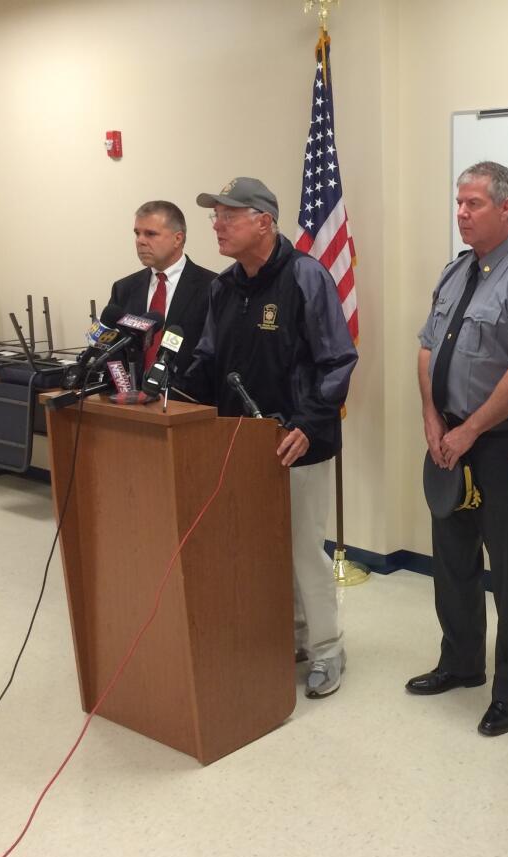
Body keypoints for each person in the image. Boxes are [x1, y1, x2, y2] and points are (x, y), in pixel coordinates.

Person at [183, 177, 358, 699]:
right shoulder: (223, 287)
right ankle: (295, 637)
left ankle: (328, 650)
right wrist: (167, 394)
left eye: (228, 216)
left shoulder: (307, 276)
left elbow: (337, 360)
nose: (216, 225)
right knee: (262, 550)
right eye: (214, 216)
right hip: (238, 442)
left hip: (298, 441)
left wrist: (307, 423)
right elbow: (208, 359)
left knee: (304, 551)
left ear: (263, 221)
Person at [407, 161, 508, 737]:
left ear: (506, 208)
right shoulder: (455, 273)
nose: (462, 214)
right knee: (452, 563)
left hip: (500, 448)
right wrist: (430, 418)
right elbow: (426, 348)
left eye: (474, 204)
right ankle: (460, 663)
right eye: (459, 202)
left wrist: (469, 430)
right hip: (446, 440)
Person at [108, 200, 216, 377]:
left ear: (177, 238)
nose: (140, 241)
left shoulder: (212, 287)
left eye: (150, 234)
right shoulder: (123, 288)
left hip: (188, 401)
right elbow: (113, 351)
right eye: (137, 233)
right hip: (131, 400)